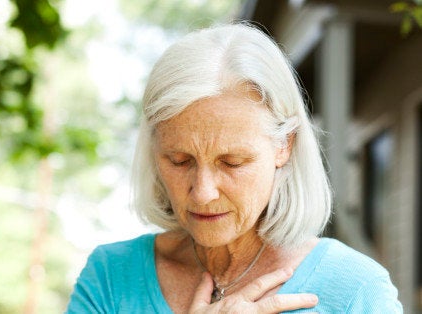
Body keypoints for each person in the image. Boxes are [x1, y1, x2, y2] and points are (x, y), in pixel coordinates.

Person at [66, 22, 403, 313]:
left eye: (232, 162)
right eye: (180, 160)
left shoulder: (356, 290)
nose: (203, 192)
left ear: (284, 146)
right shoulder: (111, 276)